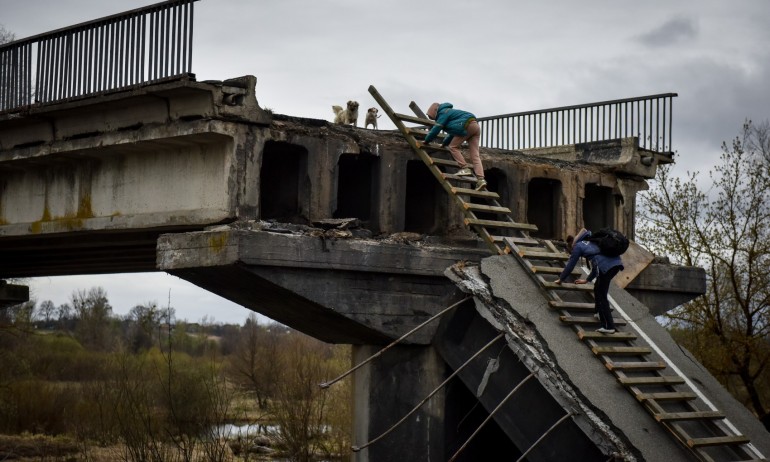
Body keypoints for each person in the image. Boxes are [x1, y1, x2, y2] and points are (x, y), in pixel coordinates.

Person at [554, 229, 624, 334]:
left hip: (605, 267)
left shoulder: (578, 246)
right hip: (616, 265)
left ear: (572, 244)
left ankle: (608, 326)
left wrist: (561, 278)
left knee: (601, 295)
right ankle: (598, 312)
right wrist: (587, 280)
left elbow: (570, 265)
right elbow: (596, 267)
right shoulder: (593, 241)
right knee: (598, 287)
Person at [418, 102, 486, 191]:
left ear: (435, 111)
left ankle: (465, 168)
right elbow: (453, 133)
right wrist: (443, 144)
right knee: (475, 155)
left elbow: (436, 129)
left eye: (432, 117)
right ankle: (481, 180)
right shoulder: (451, 113)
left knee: (453, 147)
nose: (434, 120)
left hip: (466, 125)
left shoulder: (443, 113)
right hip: (475, 126)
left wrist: (426, 141)